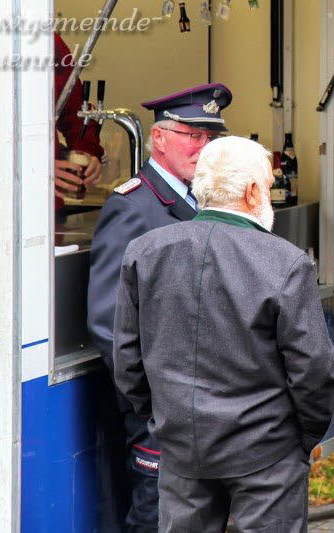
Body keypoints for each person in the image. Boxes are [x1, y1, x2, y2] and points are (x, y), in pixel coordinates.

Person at [113, 136, 334, 533]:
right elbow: (313, 368)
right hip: (267, 447)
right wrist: (304, 437)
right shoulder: (285, 262)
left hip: (180, 443)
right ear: (253, 192)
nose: (267, 191)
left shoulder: (145, 252)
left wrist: (161, 417)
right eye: (268, 184)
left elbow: (128, 359)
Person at [87, 83, 232, 532]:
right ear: (160, 139)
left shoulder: (201, 201)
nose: (201, 146)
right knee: (157, 516)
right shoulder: (134, 206)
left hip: (200, 406)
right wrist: (149, 399)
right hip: (160, 410)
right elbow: (107, 319)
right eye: (191, 134)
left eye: (208, 137)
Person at [54, 32, 104, 210]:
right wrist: (33, 167)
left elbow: (74, 111)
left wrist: (87, 151)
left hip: (47, 207)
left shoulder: (48, 41)